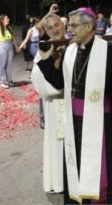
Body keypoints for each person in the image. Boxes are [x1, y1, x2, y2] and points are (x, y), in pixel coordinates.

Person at [35, 6, 112, 204]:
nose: (70, 30)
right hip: (74, 122)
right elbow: (60, 82)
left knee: (100, 167)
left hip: (100, 122)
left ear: (89, 27)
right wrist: (45, 62)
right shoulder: (69, 51)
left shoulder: (108, 50)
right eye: (69, 25)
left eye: (74, 26)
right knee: (76, 166)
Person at [31, 13, 66, 194]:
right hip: (56, 105)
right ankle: (60, 181)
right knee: (59, 142)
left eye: (57, 25)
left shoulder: (74, 45)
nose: (54, 29)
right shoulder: (43, 50)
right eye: (50, 27)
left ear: (63, 24)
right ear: (45, 31)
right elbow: (38, 80)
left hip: (75, 103)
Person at [0, 14, 20, 88]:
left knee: (9, 65)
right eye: (7, 18)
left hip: (9, 46)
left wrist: (16, 47)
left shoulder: (9, 28)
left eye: (8, 18)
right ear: (2, 20)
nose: (8, 19)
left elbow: (13, 38)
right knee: (2, 65)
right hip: (1, 46)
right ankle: (2, 81)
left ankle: (9, 81)